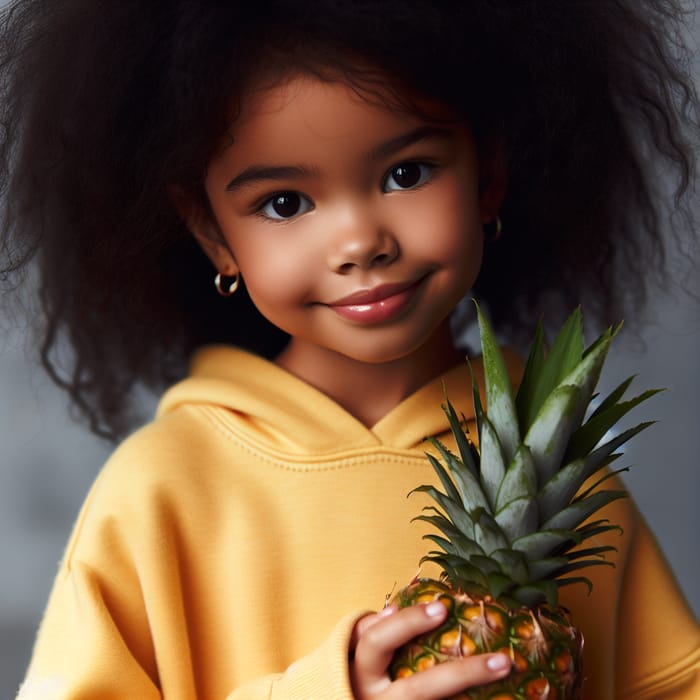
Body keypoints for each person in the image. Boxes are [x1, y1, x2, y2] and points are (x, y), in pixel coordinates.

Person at [1, 0, 699, 698]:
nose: (361, 241)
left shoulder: (557, 473)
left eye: (407, 173)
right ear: (213, 233)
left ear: (488, 173)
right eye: (284, 203)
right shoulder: (160, 490)